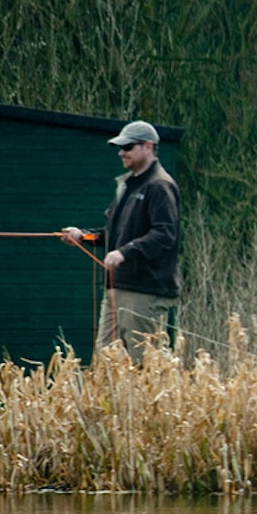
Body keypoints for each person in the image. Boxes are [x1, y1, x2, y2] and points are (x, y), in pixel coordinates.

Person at [62, 120, 181, 363]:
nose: (121, 152)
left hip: (146, 291)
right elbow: (112, 235)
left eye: (127, 146)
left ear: (148, 146)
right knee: (107, 362)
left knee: (145, 364)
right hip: (118, 288)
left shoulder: (160, 186)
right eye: (120, 147)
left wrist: (125, 252)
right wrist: (81, 236)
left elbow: (164, 234)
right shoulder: (127, 185)